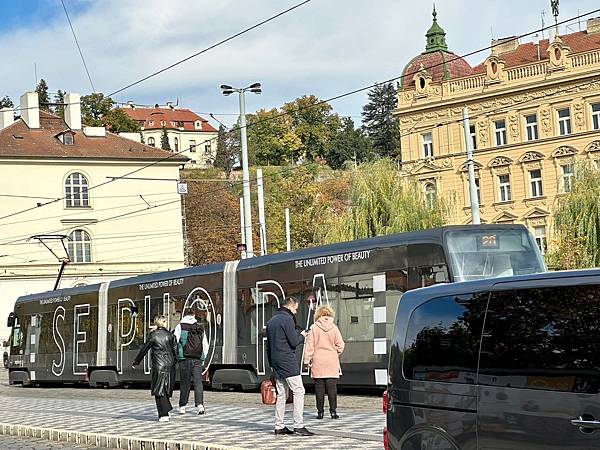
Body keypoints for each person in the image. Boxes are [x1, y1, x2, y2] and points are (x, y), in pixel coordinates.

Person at [266, 296, 314, 436]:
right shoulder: (287, 319)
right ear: (290, 307)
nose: (296, 312)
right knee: (299, 391)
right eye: (295, 309)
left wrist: (271, 364)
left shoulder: (272, 321)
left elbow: (268, 346)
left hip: (276, 361)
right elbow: (293, 342)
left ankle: (279, 426)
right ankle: (298, 425)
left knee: (282, 394)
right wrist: (302, 336)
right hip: (287, 361)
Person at [303, 305, 345, 419]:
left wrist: (307, 360)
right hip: (331, 361)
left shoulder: (314, 328)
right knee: (332, 388)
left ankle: (320, 412)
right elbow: (341, 345)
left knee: (319, 388)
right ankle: (333, 411)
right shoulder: (334, 328)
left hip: (318, 361)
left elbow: (309, 346)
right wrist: (334, 352)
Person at [132, 315, 176, 422]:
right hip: (170, 364)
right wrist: (175, 362)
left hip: (159, 365)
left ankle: (163, 414)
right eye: (165, 321)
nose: (166, 323)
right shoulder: (170, 335)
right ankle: (165, 412)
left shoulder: (153, 335)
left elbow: (144, 349)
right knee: (166, 388)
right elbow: (176, 350)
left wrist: (136, 361)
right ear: (163, 323)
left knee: (158, 389)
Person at [174, 308, 208, 415]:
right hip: (197, 359)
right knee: (198, 382)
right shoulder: (199, 327)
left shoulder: (180, 326)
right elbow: (205, 345)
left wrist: (177, 356)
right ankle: (200, 406)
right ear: (193, 315)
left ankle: (182, 406)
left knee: (185, 382)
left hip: (184, 359)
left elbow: (175, 341)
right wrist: (202, 358)